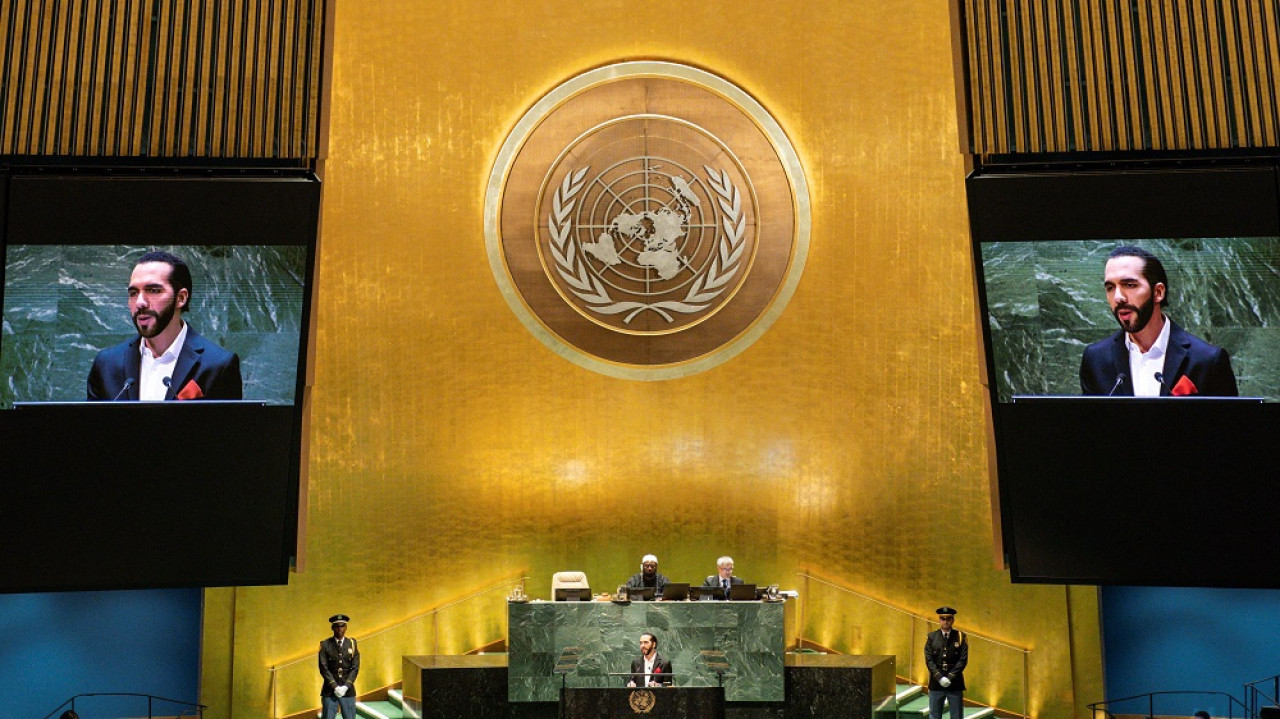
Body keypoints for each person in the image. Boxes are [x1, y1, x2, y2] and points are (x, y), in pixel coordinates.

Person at [1080, 246, 1237, 397]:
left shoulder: (1207, 360)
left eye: (1129, 285)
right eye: (1110, 288)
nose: (1118, 297)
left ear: (1158, 292)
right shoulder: (1095, 359)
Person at [87, 250, 243, 401]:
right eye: (133, 293)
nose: (140, 302)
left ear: (181, 298)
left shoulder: (218, 365)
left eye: (153, 290)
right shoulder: (106, 364)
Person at [925, 606, 968, 719]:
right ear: (939, 620)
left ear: (953, 620)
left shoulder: (960, 637)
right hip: (936, 683)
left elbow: (962, 660)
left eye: (948, 619)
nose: (946, 622)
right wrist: (939, 677)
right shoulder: (932, 637)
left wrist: (950, 677)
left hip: (954, 683)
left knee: (956, 715)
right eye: (943, 619)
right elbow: (929, 660)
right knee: (934, 715)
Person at [319, 613, 361, 719]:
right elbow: (323, 668)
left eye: (342, 626)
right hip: (330, 690)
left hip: (348, 690)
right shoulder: (325, 645)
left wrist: (346, 686)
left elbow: (355, 668)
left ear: (346, 627)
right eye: (337, 626)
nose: (339, 629)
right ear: (332, 628)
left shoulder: (352, 644)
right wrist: (335, 687)